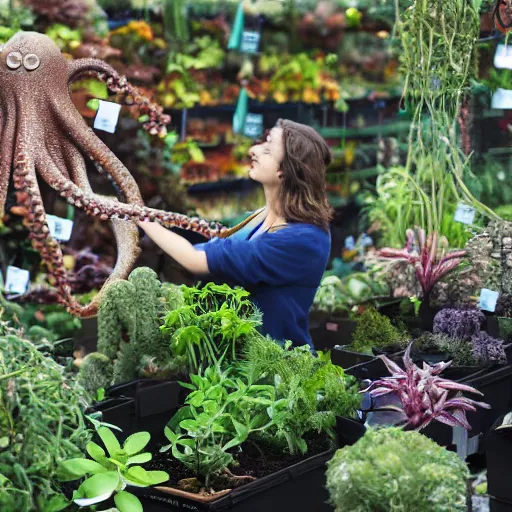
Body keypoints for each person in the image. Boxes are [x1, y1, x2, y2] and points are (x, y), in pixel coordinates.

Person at [139, 119, 332, 348]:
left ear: (283, 172)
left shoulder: (304, 240)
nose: (253, 150)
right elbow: (214, 251)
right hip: (232, 357)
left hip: (272, 367)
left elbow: (196, 260)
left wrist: (140, 218)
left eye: (267, 150)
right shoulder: (262, 215)